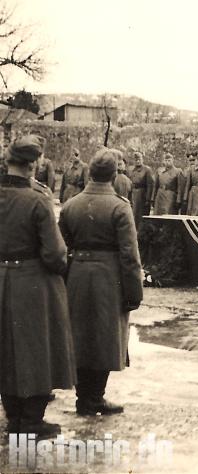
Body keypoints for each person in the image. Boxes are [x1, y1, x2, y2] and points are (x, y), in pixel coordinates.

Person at [0, 135, 76, 438]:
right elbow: (55, 253)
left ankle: (13, 418)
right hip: (32, 281)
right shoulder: (38, 200)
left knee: (6, 350)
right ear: (33, 165)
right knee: (37, 350)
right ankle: (31, 421)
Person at [59, 147, 143, 416]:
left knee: (81, 335)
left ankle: (84, 396)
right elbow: (130, 255)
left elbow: (61, 248)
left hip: (78, 275)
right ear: (114, 175)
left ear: (90, 172)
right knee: (106, 336)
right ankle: (94, 397)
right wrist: (134, 292)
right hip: (109, 276)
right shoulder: (120, 206)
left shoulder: (71, 205)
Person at [130, 151, 154, 227]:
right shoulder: (132, 170)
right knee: (134, 215)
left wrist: (148, 199)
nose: (137, 161)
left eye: (139, 159)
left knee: (141, 216)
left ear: (142, 159)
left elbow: (150, 185)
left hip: (142, 195)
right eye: (136, 160)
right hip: (134, 194)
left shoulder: (147, 170)